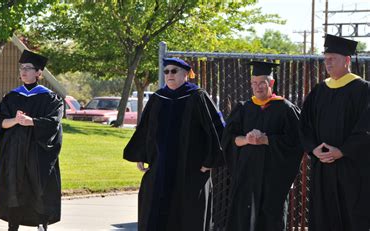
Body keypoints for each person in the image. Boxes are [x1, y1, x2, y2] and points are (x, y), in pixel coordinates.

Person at [123, 58, 225, 231]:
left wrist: (209, 162)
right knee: (156, 215)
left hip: (190, 171)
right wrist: (140, 155)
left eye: (174, 71)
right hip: (160, 169)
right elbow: (145, 129)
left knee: (189, 218)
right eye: (166, 71)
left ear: (186, 74)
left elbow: (217, 129)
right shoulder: (158, 98)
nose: (169, 74)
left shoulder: (197, 97)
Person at [299, 34, 370, 231]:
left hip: (353, 169)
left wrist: (343, 151)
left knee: (354, 217)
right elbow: (304, 125)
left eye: (333, 59)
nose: (327, 63)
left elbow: (367, 127)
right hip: (324, 168)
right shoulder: (319, 90)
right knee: (324, 217)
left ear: (347, 60)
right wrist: (314, 149)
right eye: (326, 58)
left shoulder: (363, 90)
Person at [221, 61, 302, 231]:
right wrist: (246, 139)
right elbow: (228, 139)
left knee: (270, 220)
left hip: (273, 180)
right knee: (242, 219)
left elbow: (296, 143)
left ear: (271, 83)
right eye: (254, 83)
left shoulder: (286, 109)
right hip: (246, 177)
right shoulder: (243, 108)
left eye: (262, 83)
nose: (257, 87)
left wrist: (267, 140)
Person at [0, 50, 63, 231]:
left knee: (38, 189)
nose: (23, 71)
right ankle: (13, 226)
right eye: (21, 68)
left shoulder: (50, 98)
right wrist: (15, 120)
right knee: (14, 188)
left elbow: (54, 123)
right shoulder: (11, 97)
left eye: (28, 68)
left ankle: (42, 224)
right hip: (14, 154)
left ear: (39, 73)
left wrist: (32, 122)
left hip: (37, 155)